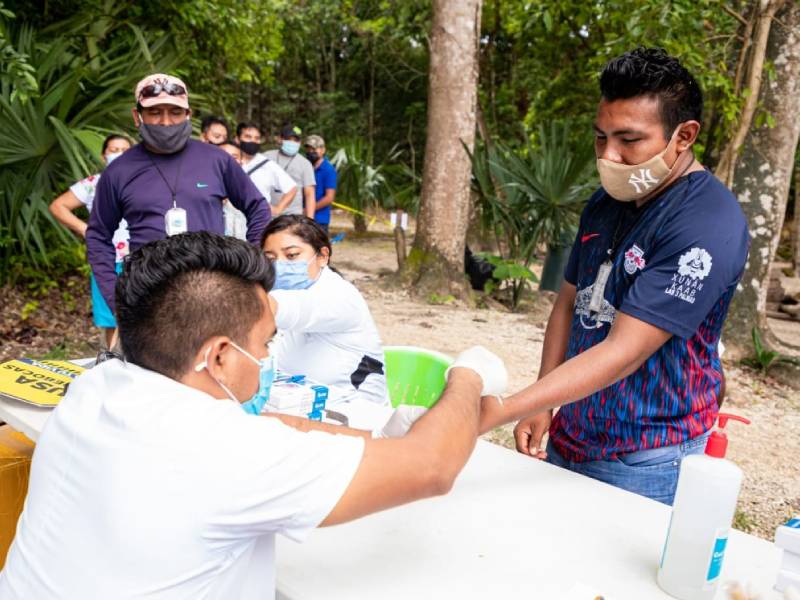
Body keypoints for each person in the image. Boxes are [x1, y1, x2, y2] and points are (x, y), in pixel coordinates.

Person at [0, 231, 507, 599]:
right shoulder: (225, 453)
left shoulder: (96, 387)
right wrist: (469, 374)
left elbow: (269, 427)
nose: (266, 359)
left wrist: (374, 437)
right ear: (218, 356)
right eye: (264, 344)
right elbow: (433, 467)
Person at [478, 47, 749, 505]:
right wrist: (543, 402)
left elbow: (625, 352)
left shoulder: (707, 223)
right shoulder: (604, 203)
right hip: (575, 431)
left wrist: (499, 410)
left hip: (649, 454)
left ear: (683, 136)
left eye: (629, 140)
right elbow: (568, 302)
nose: (610, 156)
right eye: (601, 138)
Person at [86, 73, 270, 314]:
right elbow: (98, 235)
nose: (165, 122)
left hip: (212, 294)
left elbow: (257, 207)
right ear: (137, 116)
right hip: (148, 301)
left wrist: (250, 266)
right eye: (155, 112)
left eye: (175, 112)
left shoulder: (216, 160)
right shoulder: (119, 171)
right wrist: (115, 297)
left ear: (188, 115)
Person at [262, 215, 387, 404]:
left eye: (292, 255)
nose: (279, 265)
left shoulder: (341, 297)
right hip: (297, 403)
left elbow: (291, 309)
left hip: (353, 411)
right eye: (270, 259)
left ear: (322, 256)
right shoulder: (280, 292)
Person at [49, 134, 132, 347]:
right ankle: (110, 361)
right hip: (106, 256)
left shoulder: (143, 183)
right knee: (111, 315)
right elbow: (58, 206)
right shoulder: (93, 184)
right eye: (114, 150)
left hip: (142, 256)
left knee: (142, 313)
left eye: (124, 150)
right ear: (104, 155)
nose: (119, 154)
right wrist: (84, 229)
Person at [234, 122, 298, 216]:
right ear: (238, 139)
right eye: (248, 137)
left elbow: (292, 188)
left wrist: (277, 210)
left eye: (257, 138)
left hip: (257, 220)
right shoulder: (228, 160)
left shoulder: (267, 165)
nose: (253, 141)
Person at [263, 124, 316, 218]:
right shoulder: (266, 157)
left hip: (293, 216)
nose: (292, 143)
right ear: (280, 139)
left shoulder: (305, 163)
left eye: (296, 140)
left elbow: (309, 194)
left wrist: (310, 219)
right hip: (267, 213)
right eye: (288, 139)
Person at [304, 134, 337, 234]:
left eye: (314, 149)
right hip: (301, 218)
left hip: (320, 220)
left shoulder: (328, 169)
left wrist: (308, 209)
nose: (311, 152)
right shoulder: (305, 166)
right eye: (308, 149)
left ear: (323, 150)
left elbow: (329, 197)